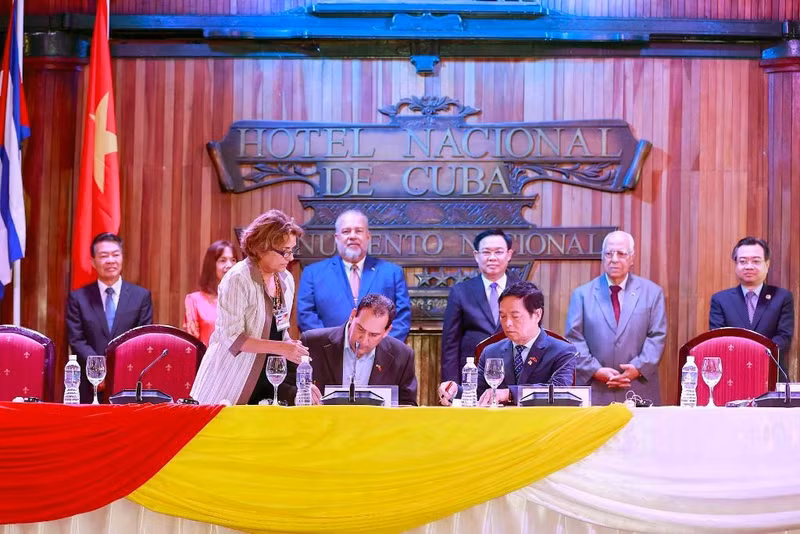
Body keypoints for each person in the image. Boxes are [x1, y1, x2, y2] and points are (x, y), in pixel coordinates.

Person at [190, 210, 309, 405]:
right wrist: (282, 347)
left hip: (267, 381)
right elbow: (232, 337)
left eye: (292, 250)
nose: (290, 258)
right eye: (284, 251)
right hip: (230, 381)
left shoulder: (285, 280)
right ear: (262, 247)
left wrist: (300, 374)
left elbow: (280, 331)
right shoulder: (238, 278)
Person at [565, 230, 666, 405]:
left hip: (637, 387)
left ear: (632, 258)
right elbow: (574, 339)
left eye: (621, 254)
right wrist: (595, 370)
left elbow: (657, 336)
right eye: (609, 254)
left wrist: (637, 368)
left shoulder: (652, 293)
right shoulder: (582, 294)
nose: (614, 259)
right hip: (596, 390)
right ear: (602, 257)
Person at [296, 209, 411, 340]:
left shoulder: (392, 273)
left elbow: (402, 319)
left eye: (358, 231)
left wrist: (377, 348)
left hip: (380, 356)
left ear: (368, 236)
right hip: (328, 355)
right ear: (337, 238)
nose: (352, 236)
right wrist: (331, 347)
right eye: (346, 231)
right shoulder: (312, 274)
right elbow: (306, 316)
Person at [67, 232, 153, 403]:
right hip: (89, 384)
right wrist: (98, 370)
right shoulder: (78, 298)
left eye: (115, 254)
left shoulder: (141, 296)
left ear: (122, 258)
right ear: (93, 262)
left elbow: (141, 338)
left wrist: (116, 372)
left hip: (128, 380)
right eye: (103, 255)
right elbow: (77, 340)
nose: (110, 260)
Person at [437, 229, 519, 405]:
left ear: (509, 254)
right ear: (476, 255)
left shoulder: (523, 291)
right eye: (486, 252)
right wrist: (452, 386)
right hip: (472, 381)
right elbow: (450, 346)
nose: (492, 257)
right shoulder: (461, 292)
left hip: (512, 381)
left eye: (498, 252)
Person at [292, 293, 418, 406]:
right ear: (352, 316)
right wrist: (301, 393)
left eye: (374, 335)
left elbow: (408, 405)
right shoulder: (312, 342)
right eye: (360, 329)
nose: (363, 340)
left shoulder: (402, 355)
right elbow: (283, 387)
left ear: (387, 331)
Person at [475, 281, 576, 406]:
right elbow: (478, 393)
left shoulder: (563, 351)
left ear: (537, 315)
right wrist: (454, 391)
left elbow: (558, 391)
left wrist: (510, 393)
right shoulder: (490, 351)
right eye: (503, 316)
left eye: (515, 316)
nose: (508, 324)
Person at [709, 237, 794, 375]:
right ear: (735, 265)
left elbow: (784, 337)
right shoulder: (720, 300)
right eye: (743, 261)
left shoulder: (782, 297)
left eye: (756, 261)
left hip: (771, 373)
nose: (749, 266)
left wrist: (757, 355)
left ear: (767, 264)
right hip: (733, 373)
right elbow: (718, 338)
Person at [183, 240, 237, 346]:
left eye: (233, 260)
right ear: (211, 265)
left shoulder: (242, 299)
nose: (229, 265)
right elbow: (192, 343)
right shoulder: (195, 300)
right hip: (208, 359)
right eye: (223, 260)